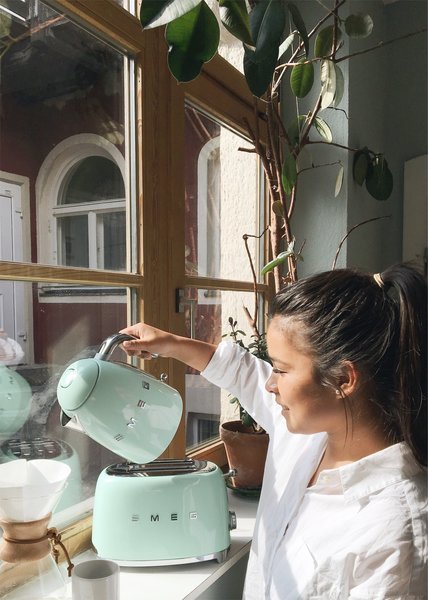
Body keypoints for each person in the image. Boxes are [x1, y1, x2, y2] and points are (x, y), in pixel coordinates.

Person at [120, 264, 427, 599]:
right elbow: (244, 373)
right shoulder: (308, 432)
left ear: (342, 379)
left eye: (280, 370)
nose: (270, 384)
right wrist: (170, 343)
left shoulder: (395, 533)